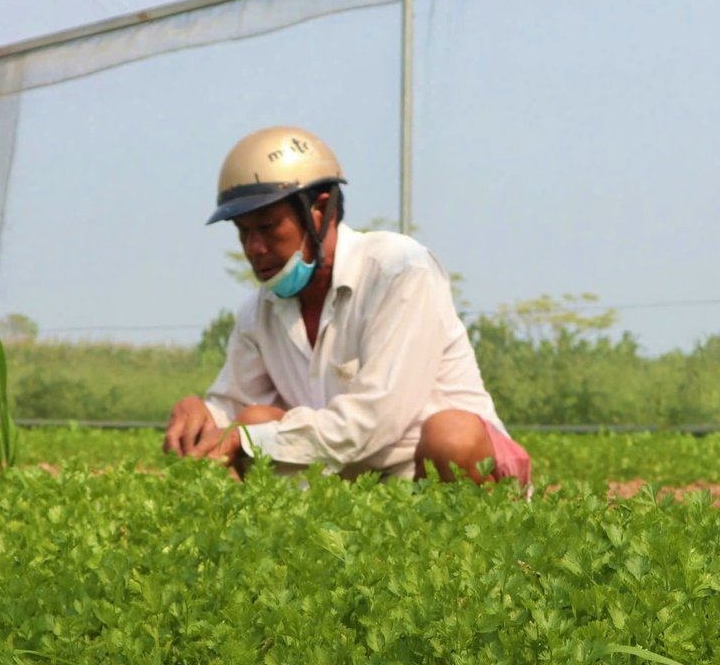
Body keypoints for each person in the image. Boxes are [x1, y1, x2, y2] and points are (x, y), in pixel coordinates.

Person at [163, 125, 531, 486]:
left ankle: (482, 529)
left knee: (451, 436)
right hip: (351, 484)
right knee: (254, 419)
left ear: (321, 211)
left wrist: (248, 438)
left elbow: (377, 419)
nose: (254, 247)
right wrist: (202, 415)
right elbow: (235, 407)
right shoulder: (259, 312)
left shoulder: (399, 271)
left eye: (269, 226)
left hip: (425, 466)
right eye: (244, 231)